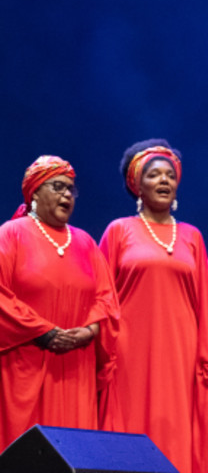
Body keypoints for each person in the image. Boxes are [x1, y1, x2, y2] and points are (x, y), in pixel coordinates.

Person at [99, 140, 208, 473]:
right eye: (154, 175)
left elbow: (207, 306)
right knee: (133, 435)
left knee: (175, 436)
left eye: (170, 175)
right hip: (130, 355)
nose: (164, 181)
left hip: (181, 356)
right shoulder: (118, 231)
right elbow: (102, 298)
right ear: (137, 185)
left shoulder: (192, 236)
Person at [0, 155, 119, 450]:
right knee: (27, 454)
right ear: (34, 193)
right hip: (25, 366)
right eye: (58, 187)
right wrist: (44, 331)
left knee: (74, 451)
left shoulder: (86, 243)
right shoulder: (10, 235)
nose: (67, 194)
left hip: (75, 369)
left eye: (71, 189)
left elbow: (106, 298)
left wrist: (89, 331)